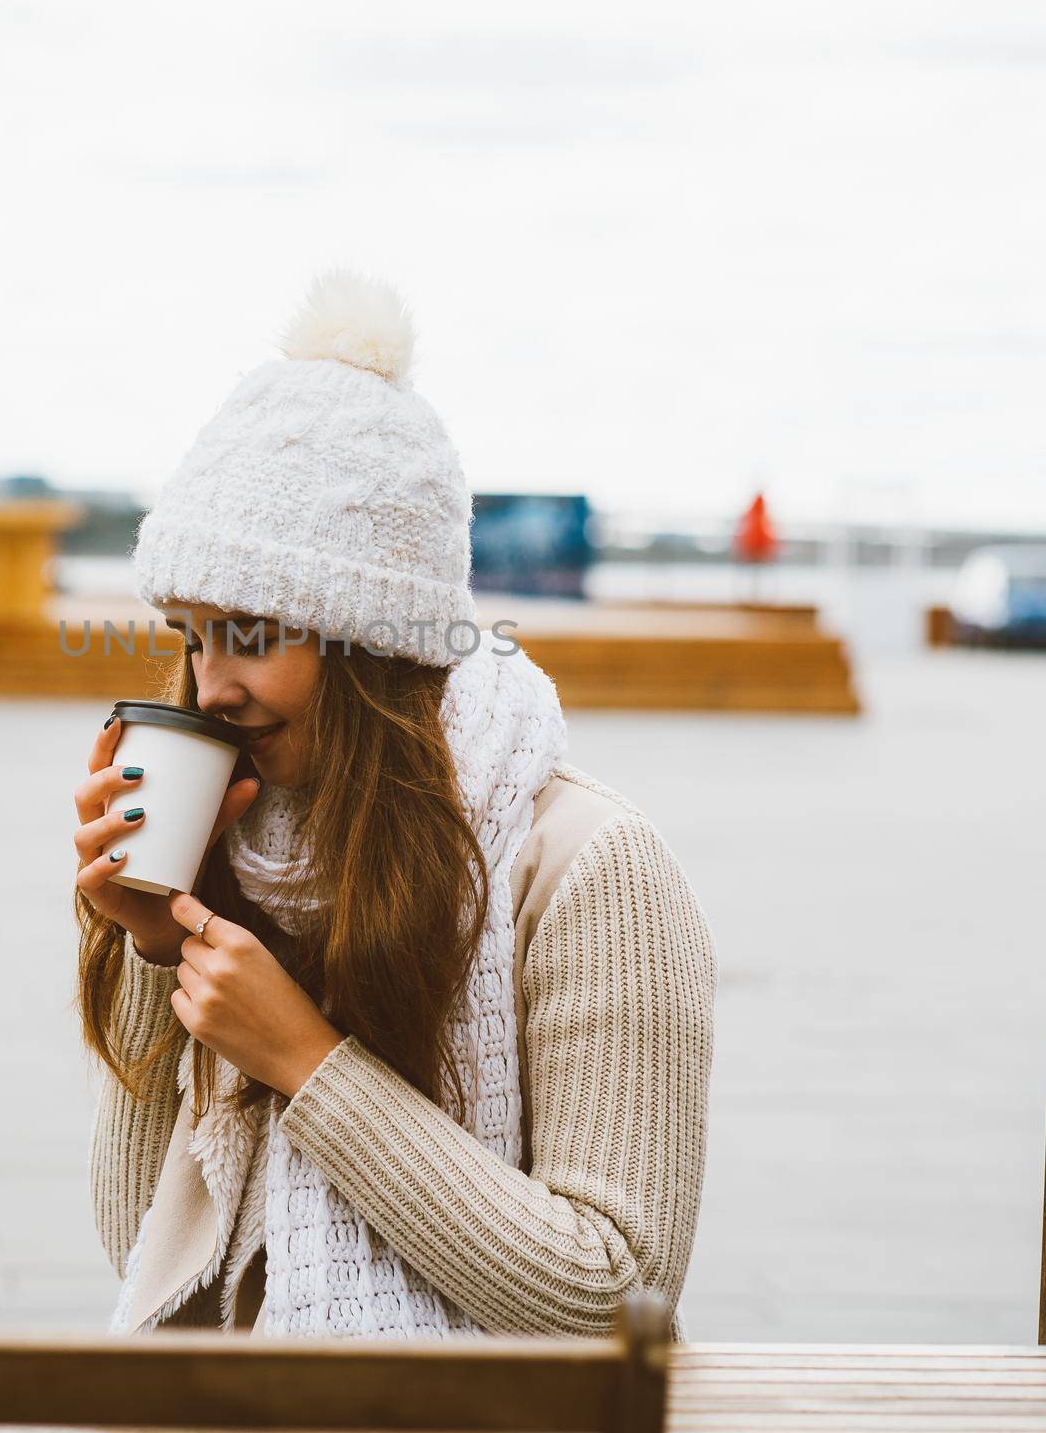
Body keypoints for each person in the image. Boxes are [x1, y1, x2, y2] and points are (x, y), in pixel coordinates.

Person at [72, 271, 717, 1340]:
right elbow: (142, 1246)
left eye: (250, 632)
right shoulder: (247, 843)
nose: (210, 683)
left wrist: (306, 1061)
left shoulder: (593, 867)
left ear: (370, 643)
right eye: (191, 635)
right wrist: (155, 942)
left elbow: (617, 1299)